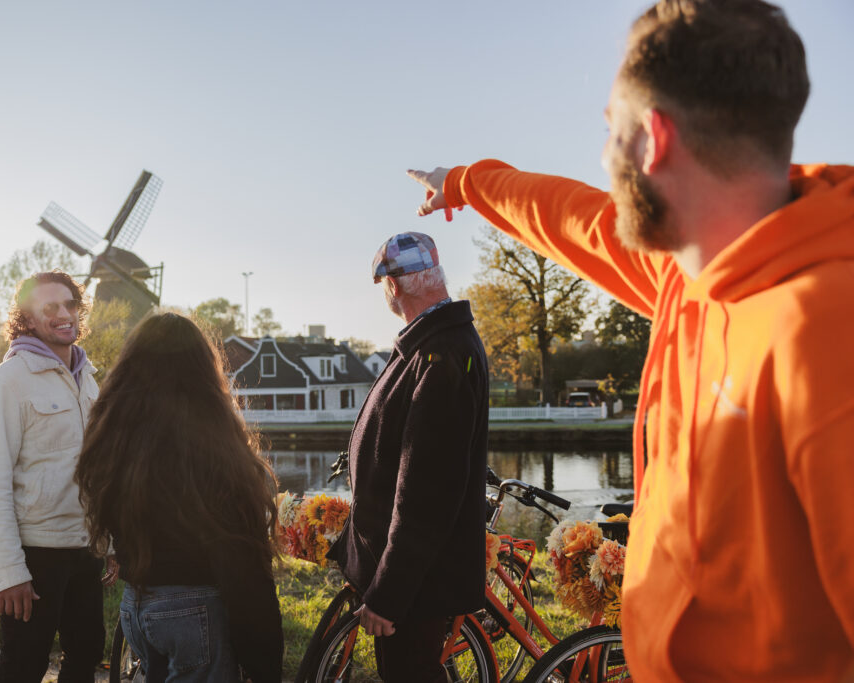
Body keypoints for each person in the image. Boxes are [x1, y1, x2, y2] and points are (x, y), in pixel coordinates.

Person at [407, 1, 854, 680]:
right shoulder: (690, 272)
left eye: (610, 129)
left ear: (655, 137)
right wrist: (465, 184)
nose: (602, 156)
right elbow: (564, 217)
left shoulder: (825, 330)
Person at [75, 312, 283, 683]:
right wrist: (264, 662)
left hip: (137, 607)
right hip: (193, 608)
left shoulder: (116, 435)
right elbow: (240, 557)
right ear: (204, 369)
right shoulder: (209, 440)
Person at [326, 232, 489, 682]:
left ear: (393, 287)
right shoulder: (429, 345)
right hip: (411, 576)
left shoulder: (441, 355)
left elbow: (426, 494)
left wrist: (389, 594)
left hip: (416, 585)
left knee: (411, 676)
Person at [0, 270, 111, 682]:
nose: (64, 314)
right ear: (27, 319)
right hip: (36, 555)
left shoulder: (89, 381)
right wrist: (9, 573)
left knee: (85, 658)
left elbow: (100, 471)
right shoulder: (5, 383)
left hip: (85, 549)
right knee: (23, 667)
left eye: (71, 305)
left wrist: (111, 540)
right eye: (50, 308)